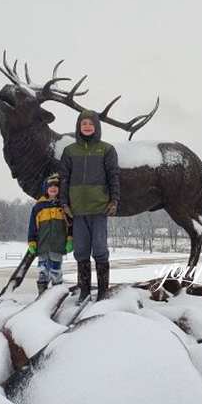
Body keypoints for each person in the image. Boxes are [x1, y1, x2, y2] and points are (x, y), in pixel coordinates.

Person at [59, 109, 120, 302]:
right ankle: (84, 291)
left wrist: (114, 200)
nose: (87, 126)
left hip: (99, 208)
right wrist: (64, 202)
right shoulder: (70, 151)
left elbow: (114, 177)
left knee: (100, 251)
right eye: (83, 123)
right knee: (81, 252)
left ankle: (102, 292)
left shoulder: (107, 149)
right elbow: (64, 180)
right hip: (77, 210)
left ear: (97, 127)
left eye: (90, 124)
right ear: (78, 126)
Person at [27, 173, 73, 296]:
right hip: (42, 245)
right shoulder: (38, 207)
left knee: (55, 270)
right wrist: (32, 242)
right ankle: (42, 294)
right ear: (45, 189)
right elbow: (32, 227)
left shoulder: (63, 206)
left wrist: (70, 239)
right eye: (50, 186)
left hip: (57, 245)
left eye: (56, 186)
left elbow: (70, 225)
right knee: (42, 271)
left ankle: (56, 295)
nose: (53, 188)